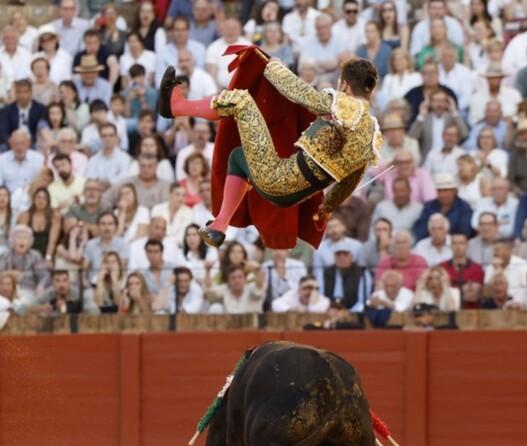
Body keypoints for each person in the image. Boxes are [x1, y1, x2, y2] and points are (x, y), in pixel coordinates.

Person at [158, 56, 383, 248]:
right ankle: (219, 227)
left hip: (276, 177)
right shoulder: (372, 134)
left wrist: (271, 67)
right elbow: (349, 182)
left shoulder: (347, 105)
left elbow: (305, 96)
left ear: (344, 85)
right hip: (292, 197)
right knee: (238, 158)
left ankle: (176, 107)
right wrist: (326, 208)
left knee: (241, 100)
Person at [0, 225, 51, 305]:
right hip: (8, 292)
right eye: (19, 237)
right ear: (12, 240)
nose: (22, 241)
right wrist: (11, 273)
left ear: (30, 241)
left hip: (29, 290)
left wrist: (40, 286)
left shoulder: (35, 256)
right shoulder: (4, 255)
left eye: (25, 238)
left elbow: (44, 276)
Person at [413, 174, 473, 240]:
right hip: (430, 244)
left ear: (455, 191)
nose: (443, 194)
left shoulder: (464, 207)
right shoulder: (429, 206)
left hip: (454, 246)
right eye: (439, 191)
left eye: (446, 190)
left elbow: (464, 232)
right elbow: (420, 230)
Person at [321, 241, 372, 312]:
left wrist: (349, 313)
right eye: (338, 254)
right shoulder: (326, 273)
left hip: (354, 313)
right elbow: (321, 297)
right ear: (334, 257)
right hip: (329, 311)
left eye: (345, 254)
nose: (342, 258)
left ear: (352, 256)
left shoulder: (362, 273)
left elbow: (362, 301)